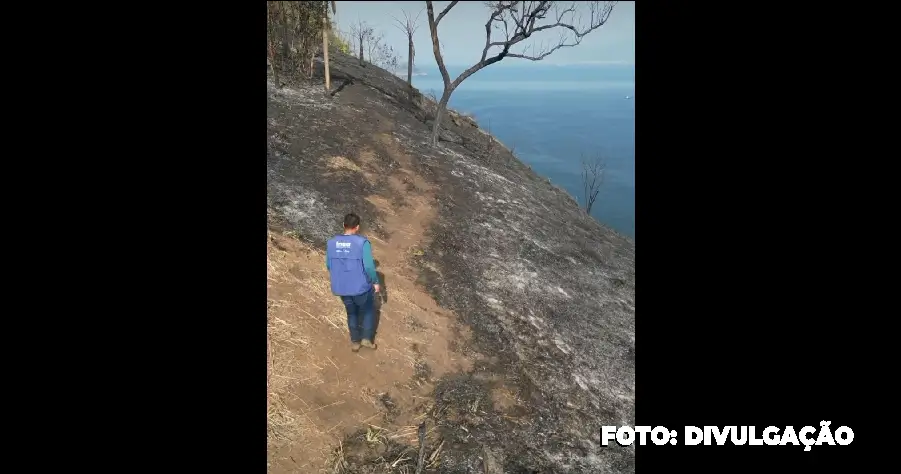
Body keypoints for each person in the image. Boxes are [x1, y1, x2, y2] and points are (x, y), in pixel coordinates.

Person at [326, 213, 381, 352]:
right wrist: (375, 281)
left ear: (343, 225)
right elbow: (368, 266)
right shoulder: (362, 243)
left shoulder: (331, 243)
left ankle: (355, 342)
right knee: (368, 311)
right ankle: (367, 339)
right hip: (360, 287)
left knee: (351, 313)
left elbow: (329, 265)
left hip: (341, 287)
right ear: (357, 227)